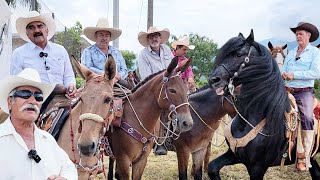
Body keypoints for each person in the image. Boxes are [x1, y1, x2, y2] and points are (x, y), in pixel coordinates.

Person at [0, 68, 77, 179]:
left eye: (38, 97)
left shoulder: (48, 140)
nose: (32, 100)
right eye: (24, 94)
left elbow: (69, 169)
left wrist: (64, 178)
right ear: (9, 102)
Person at [10, 11, 76, 113]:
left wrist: (71, 86)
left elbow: (69, 76)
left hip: (63, 98)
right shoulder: (19, 54)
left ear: (47, 30)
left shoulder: (60, 50)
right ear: (27, 34)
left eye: (40, 26)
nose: (36, 30)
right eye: (31, 28)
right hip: (36, 100)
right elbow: (17, 84)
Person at [282, 22, 320, 171]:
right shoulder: (291, 53)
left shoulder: (314, 53)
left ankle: (304, 157)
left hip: (304, 91)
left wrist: (294, 74)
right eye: (296, 34)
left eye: (301, 34)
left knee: (308, 119)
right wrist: (284, 74)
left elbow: (316, 73)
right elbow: (284, 70)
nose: (298, 36)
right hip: (287, 89)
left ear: (308, 36)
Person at [81, 17, 128, 82]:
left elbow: (124, 70)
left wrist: (119, 76)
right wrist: (107, 75)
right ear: (96, 36)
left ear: (110, 37)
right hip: (96, 83)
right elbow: (87, 68)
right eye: (101, 35)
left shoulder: (116, 52)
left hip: (117, 83)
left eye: (107, 35)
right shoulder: (88, 51)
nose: (104, 38)